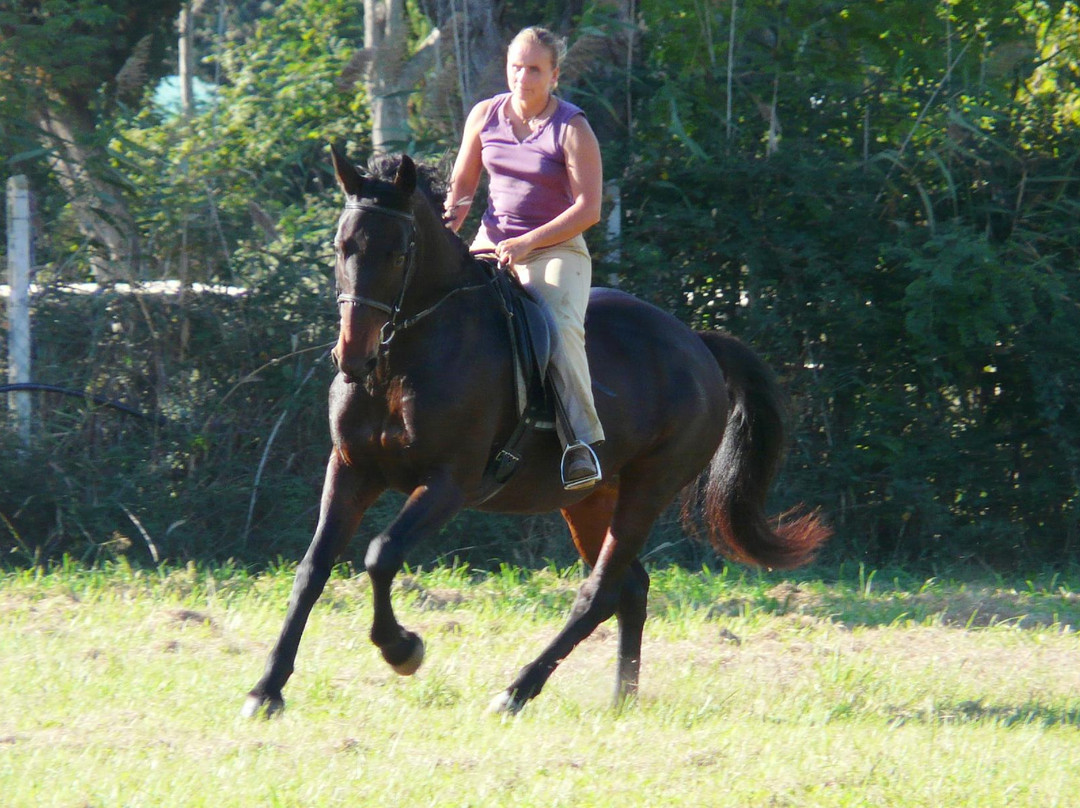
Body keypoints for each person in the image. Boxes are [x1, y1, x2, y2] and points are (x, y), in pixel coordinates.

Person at [444, 26, 605, 490]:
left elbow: (588, 210)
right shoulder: (484, 115)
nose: (522, 76)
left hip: (556, 250)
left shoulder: (572, 128)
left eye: (534, 68)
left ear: (555, 75)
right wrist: (441, 236)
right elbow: (460, 193)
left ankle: (580, 444)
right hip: (490, 244)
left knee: (555, 323)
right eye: (516, 66)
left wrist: (529, 242)